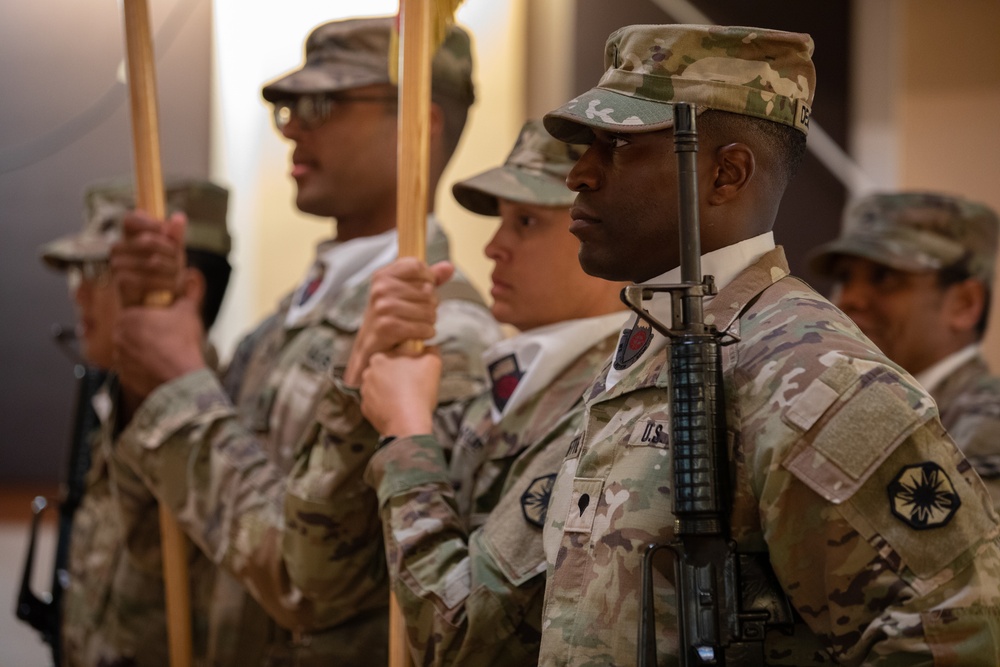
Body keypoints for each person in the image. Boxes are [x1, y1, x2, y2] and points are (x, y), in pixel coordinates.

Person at [535, 24, 1000, 665]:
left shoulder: (817, 380)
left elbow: (955, 641)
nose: (580, 174)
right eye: (588, 144)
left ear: (726, 173)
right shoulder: (649, 347)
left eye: (618, 145)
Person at [108, 16, 501, 666]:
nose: (291, 125)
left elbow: (316, 587)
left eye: (322, 103)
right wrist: (146, 369)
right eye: (287, 106)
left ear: (419, 125)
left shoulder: (439, 336)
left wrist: (179, 384)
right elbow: (169, 545)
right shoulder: (283, 322)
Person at [344, 120, 628, 665]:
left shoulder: (612, 403)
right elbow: (326, 567)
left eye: (526, 221)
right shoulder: (504, 387)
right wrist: (362, 370)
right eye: (501, 221)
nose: (494, 247)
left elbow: (462, 640)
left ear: (604, 228)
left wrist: (406, 432)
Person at [38, 177, 232, 667]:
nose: (80, 297)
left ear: (184, 289)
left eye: (101, 273)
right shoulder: (114, 399)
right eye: (76, 275)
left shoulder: (213, 428)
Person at [809, 192, 1000, 506]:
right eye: (845, 277)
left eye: (884, 277)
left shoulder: (987, 425)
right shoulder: (859, 403)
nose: (848, 299)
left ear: (964, 304)